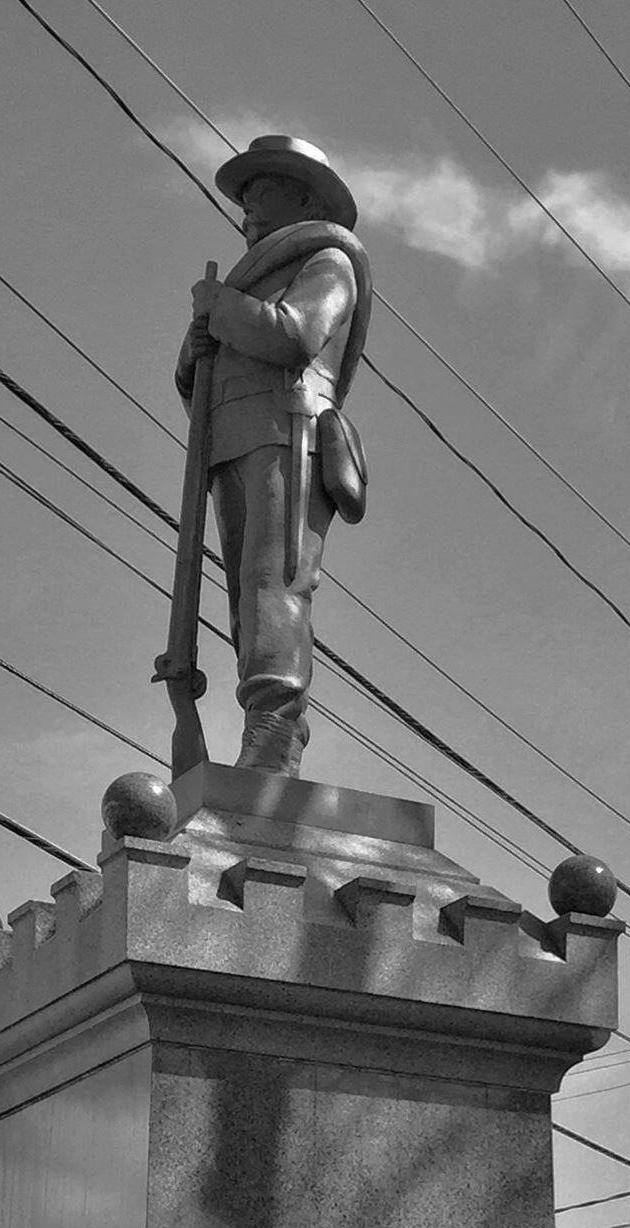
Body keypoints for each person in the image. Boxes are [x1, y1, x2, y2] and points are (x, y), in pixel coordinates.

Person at [178, 136, 367, 776]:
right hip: (230, 439)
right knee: (244, 599)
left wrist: (220, 310)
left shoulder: (328, 262)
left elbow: (293, 334)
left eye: (263, 194)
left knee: (274, 584)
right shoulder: (246, 282)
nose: (248, 212)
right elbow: (198, 379)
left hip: (293, 432)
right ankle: (262, 723)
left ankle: (276, 731)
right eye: (245, 200)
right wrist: (199, 339)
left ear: (303, 197)